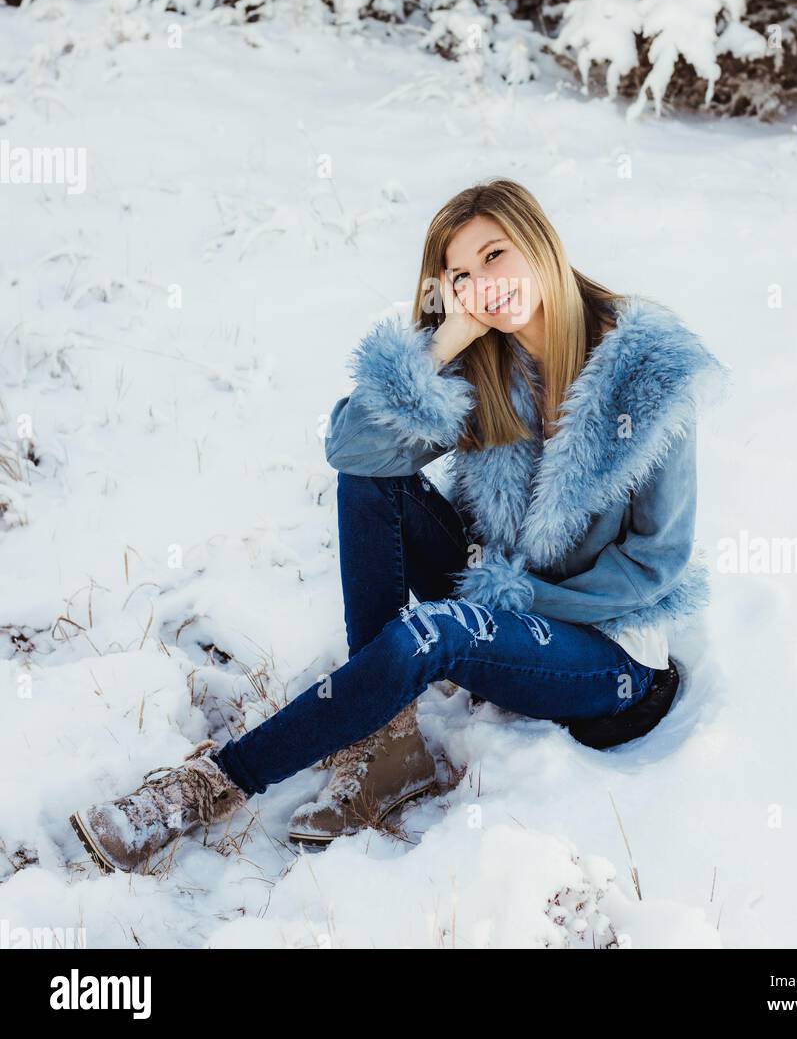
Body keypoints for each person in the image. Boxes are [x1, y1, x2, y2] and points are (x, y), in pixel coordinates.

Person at [69, 178, 727, 875]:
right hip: (493, 601)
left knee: (434, 632)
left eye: (496, 255)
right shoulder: (487, 360)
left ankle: (211, 787)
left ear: (539, 241)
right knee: (372, 479)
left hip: (609, 659)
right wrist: (444, 345)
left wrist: (506, 604)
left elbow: (654, 564)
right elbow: (354, 451)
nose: (485, 285)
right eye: (462, 275)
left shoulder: (645, 366)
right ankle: (386, 742)